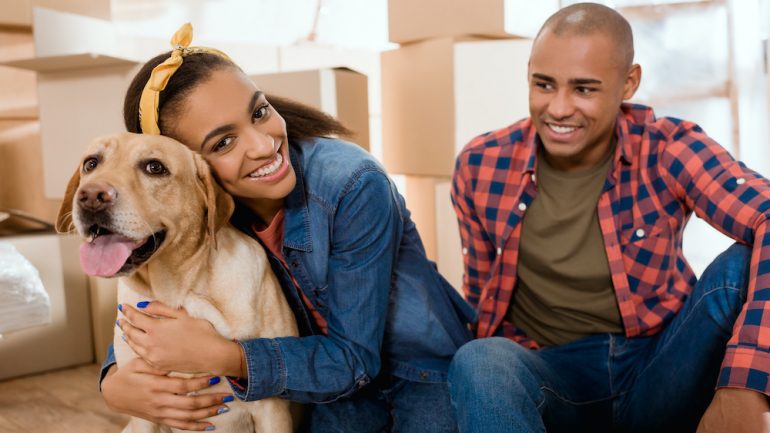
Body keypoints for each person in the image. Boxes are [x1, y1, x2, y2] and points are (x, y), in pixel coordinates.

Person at [100, 23, 475, 432]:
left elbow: (355, 361)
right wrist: (113, 380)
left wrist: (226, 357)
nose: (263, 145)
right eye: (223, 143)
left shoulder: (351, 183)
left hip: (416, 373)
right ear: (188, 173)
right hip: (320, 381)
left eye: (259, 112)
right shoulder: (204, 210)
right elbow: (157, 284)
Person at [448, 3, 770, 433]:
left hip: (661, 365)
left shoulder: (668, 147)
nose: (559, 109)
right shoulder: (480, 164)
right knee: (479, 359)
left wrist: (743, 387)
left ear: (628, 83)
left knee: (740, 266)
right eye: (544, 84)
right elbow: (481, 296)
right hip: (555, 374)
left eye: (584, 89)